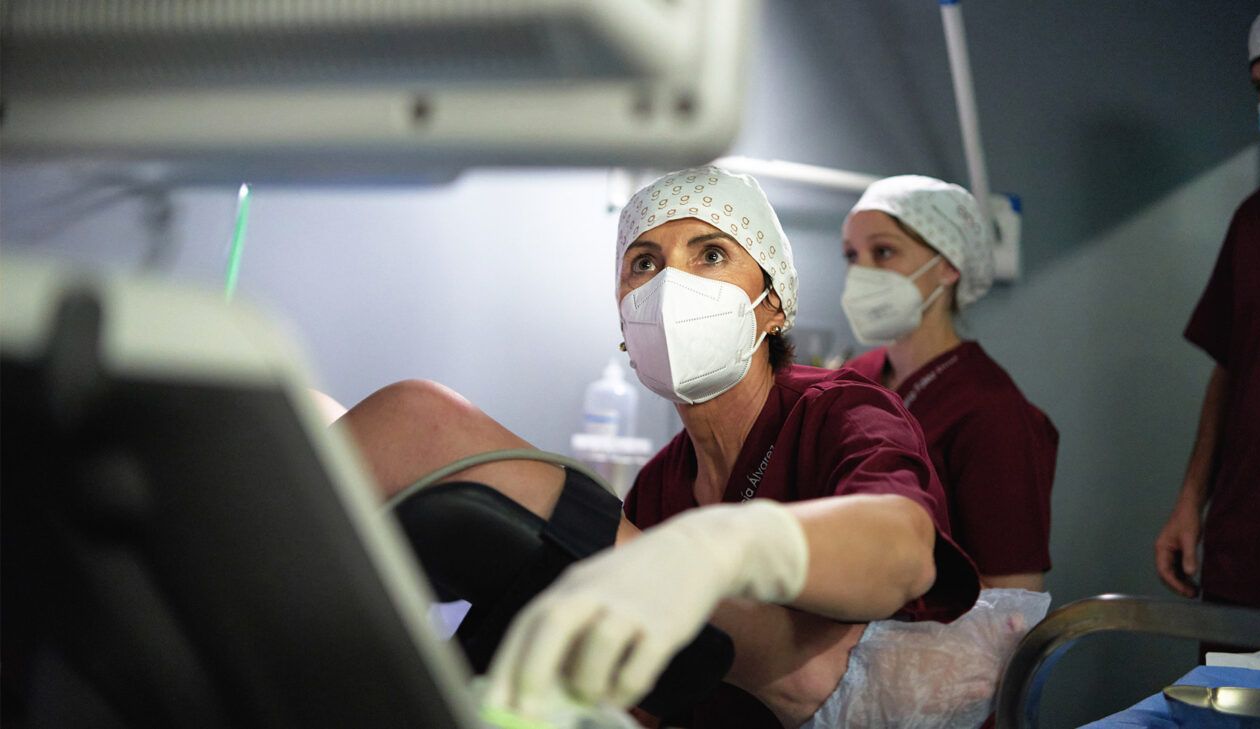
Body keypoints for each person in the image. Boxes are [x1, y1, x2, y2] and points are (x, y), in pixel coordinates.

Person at [338, 167, 1034, 729]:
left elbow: (905, 549)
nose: (671, 283)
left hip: (859, 696)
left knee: (419, 421)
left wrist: (729, 546)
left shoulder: (841, 411)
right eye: (644, 262)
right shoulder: (660, 484)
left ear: (773, 302)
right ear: (622, 317)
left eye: (710, 253)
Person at [839, 175, 1057, 591]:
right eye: (851, 255)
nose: (860, 272)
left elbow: (1012, 597)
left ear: (948, 265)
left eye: (883, 251)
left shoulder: (991, 411)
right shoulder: (853, 382)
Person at [1153, 0, 1260, 627]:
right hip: (1248, 554)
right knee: (1229, 715)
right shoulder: (1259, 221)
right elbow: (1231, 370)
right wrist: (1191, 502)